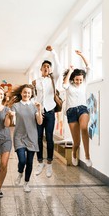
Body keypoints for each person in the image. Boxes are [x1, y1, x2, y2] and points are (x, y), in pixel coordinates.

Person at [32, 45, 62, 178]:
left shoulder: (53, 79)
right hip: (39, 112)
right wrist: (35, 107)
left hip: (50, 112)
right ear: (41, 69)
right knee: (38, 137)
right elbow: (33, 96)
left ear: (50, 69)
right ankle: (40, 162)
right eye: (44, 66)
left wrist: (53, 52)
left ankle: (49, 163)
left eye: (48, 67)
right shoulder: (35, 82)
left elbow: (59, 68)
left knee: (49, 137)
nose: (46, 68)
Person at [7, 84, 43, 192]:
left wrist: (39, 110)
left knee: (30, 162)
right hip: (19, 136)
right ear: (21, 93)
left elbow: (40, 122)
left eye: (28, 93)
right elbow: (12, 121)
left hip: (32, 136)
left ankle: (26, 183)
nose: (26, 94)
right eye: (24, 92)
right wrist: (11, 115)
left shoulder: (34, 106)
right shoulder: (15, 106)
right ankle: (20, 172)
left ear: (31, 94)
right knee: (22, 160)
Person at [62, 50, 92, 167]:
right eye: (77, 79)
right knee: (77, 142)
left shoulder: (84, 83)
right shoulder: (69, 85)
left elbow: (89, 67)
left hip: (83, 109)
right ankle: (74, 153)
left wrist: (81, 55)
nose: (79, 81)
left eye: (80, 80)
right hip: (71, 112)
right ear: (73, 79)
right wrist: (70, 71)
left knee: (84, 129)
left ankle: (87, 156)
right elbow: (64, 85)